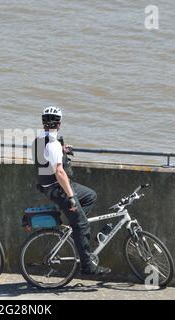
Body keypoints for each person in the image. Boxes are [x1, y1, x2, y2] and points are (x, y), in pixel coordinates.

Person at [33, 106, 111, 275]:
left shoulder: (40, 139)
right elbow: (60, 172)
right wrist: (71, 197)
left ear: (43, 122)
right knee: (82, 225)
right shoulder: (52, 144)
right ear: (59, 124)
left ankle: (75, 223)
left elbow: (46, 158)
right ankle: (87, 265)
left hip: (49, 186)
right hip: (58, 188)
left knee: (90, 196)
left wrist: (62, 150)